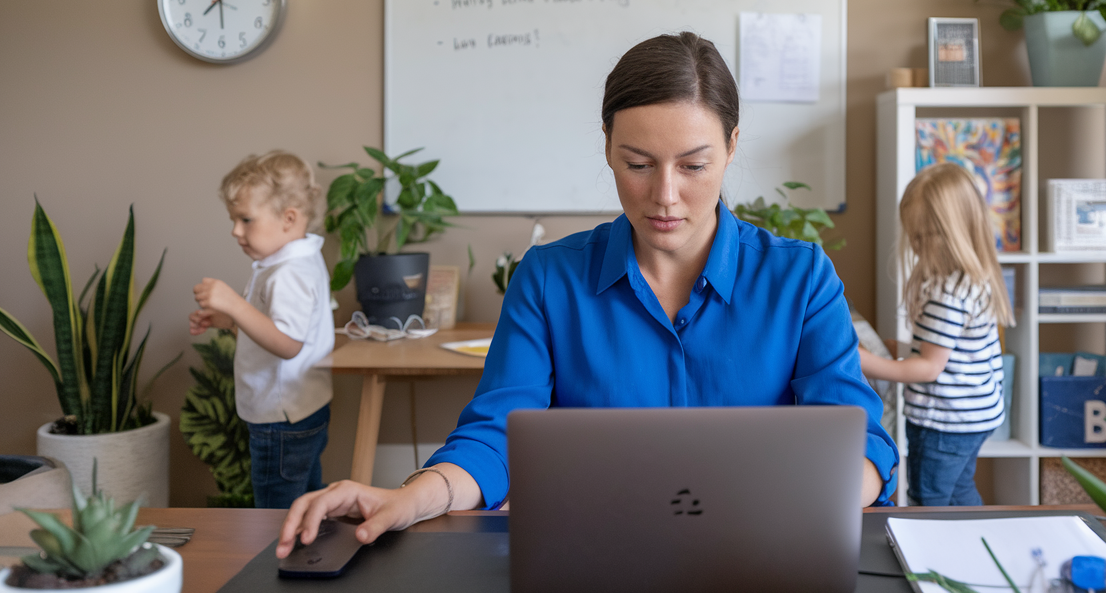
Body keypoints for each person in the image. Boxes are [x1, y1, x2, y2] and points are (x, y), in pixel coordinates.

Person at [275, 32, 897, 556]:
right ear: (606, 145)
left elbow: (863, 441)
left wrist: (795, 509)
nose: (665, 195)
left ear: (732, 147)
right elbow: (496, 436)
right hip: (594, 562)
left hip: (763, 559)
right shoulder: (548, 279)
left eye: (693, 165)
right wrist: (411, 496)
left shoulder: (801, 278)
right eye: (638, 163)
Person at [858, 162, 1014, 506]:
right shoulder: (974, 278)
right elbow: (948, 349)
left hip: (945, 422)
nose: (915, 246)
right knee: (959, 491)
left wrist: (864, 361)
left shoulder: (947, 294)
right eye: (913, 236)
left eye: (923, 236)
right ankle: (976, 549)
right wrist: (896, 347)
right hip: (976, 416)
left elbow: (928, 368)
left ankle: (935, 559)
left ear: (952, 233)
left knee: (930, 501)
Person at [189, 151, 335, 509]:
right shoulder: (294, 259)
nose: (235, 231)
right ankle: (309, 560)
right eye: (233, 220)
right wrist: (229, 320)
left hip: (280, 417)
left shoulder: (289, 273)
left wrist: (235, 304)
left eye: (246, 220)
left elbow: (287, 343)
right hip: (302, 407)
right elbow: (275, 326)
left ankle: (278, 564)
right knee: (306, 501)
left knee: (276, 513)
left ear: (289, 219)